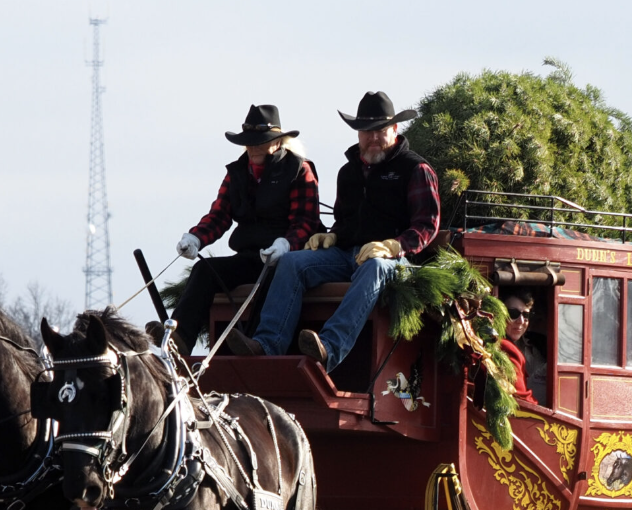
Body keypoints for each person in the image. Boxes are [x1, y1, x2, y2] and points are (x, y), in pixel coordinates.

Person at [224, 92, 442, 370]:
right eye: (366, 131)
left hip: (397, 263)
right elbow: (344, 220)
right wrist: (332, 235)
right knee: (291, 261)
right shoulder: (347, 172)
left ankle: (329, 348)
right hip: (347, 254)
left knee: (374, 265)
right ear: (358, 133)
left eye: (380, 131)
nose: (373, 138)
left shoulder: (415, 168)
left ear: (395, 130)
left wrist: (394, 246)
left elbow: (427, 225)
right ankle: (267, 345)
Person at [168, 104, 323, 354]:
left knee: (275, 278)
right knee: (204, 270)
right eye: (250, 142)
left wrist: (285, 245)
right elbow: (219, 215)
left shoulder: (299, 170)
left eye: (261, 141)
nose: (254, 147)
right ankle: (179, 339)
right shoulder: (236, 173)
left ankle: (254, 344)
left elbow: (306, 222)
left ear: (278, 142)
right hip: (249, 257)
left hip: (285, 260)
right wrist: (196, 237)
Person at [500, 287, 547, 406]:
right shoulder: (504, 347)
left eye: (526, 315)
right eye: (513, 313)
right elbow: (520, 397)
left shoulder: (538, 345)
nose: (521, 321)